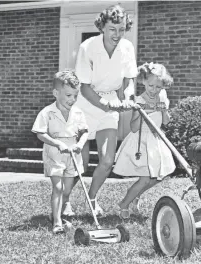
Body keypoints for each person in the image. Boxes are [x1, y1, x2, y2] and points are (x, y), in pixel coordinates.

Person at [67, 4, 137, 216]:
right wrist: (106, 104)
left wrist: (129, 96)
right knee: (82, 162)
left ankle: (92, 198)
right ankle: (65, 201)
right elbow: (85, 88)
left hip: (110, 105)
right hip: (84, 105)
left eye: (121, 29)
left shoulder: (127, 47)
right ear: (102, 28)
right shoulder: (88, 47)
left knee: (107, 160)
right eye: (112, 29)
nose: (117, 34)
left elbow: (129, 79)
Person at [112, 62, 176, 219]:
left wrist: (163, 109)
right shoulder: (139, 100)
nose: (154, 90)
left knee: (158, 177)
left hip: (156, 139)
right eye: (151, 86)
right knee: (146, 178)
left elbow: (166, 122)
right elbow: (133, 127)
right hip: (141, 140)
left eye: (158, 87)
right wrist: (142, 113)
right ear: (144, 82)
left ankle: (135, 196)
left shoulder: (162, 97)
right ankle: (124, 204)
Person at [31, 70, 88, 234]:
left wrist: (81, 144)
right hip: (55, 152)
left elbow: (84, 132)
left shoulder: (78, 112)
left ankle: (57, 214)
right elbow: (40, 133)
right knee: (58, 187)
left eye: (75, 96)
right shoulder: (47, 112)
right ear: (56, 93)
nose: (73, 100)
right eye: (69, 95)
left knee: (67, 190)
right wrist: (56, 143)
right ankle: (57, 223)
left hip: (72, 153)